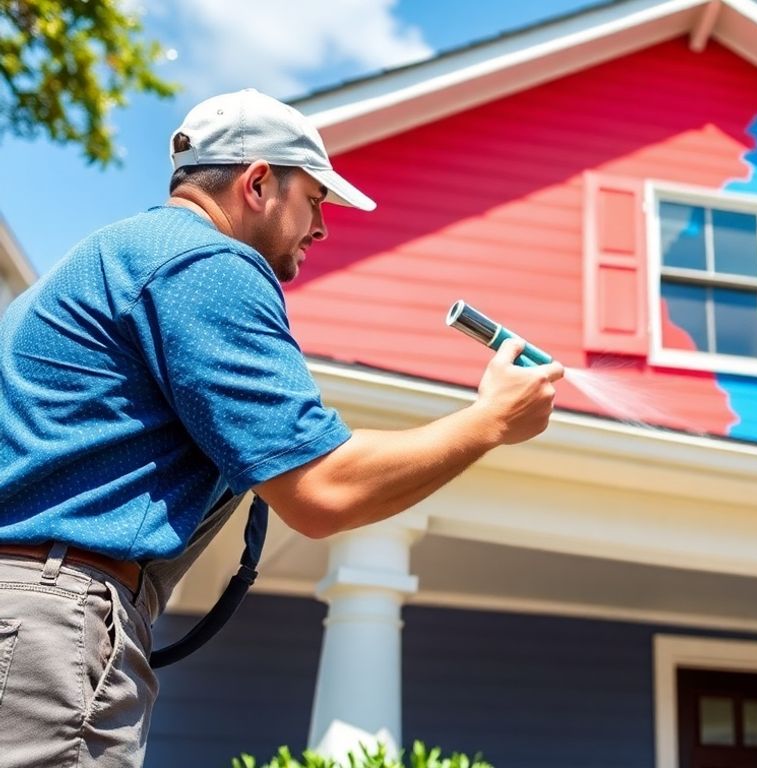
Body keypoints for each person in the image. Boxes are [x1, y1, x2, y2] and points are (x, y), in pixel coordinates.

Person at [0, 88, 563, 766]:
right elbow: (324, 490)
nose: (321, 227)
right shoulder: (206, 264)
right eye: (315, 199)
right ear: (259, 183)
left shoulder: (115, 255)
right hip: (50, 619)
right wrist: (491, 420)